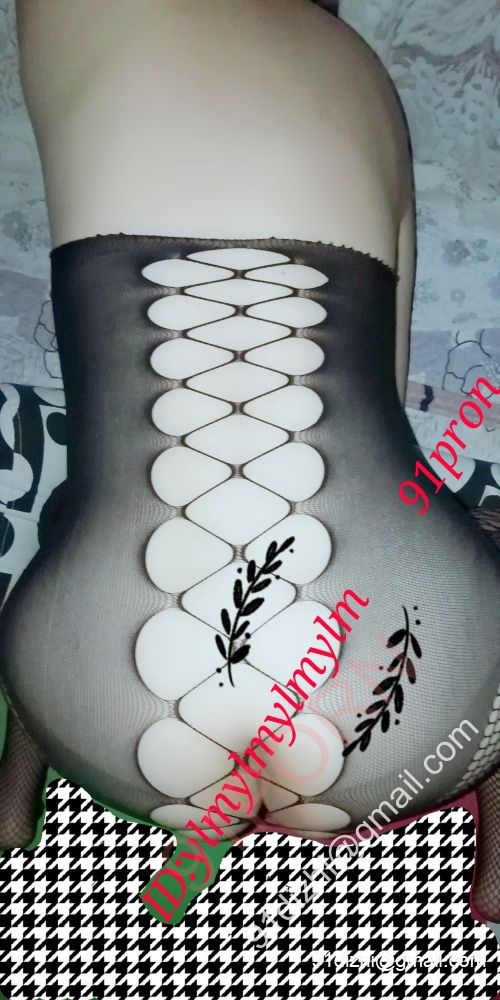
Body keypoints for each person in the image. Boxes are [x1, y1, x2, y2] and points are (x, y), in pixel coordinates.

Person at [0, 0, 498, 925]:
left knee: (78, 518)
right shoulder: (362, 83)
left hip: (106, 706)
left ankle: (12, 805)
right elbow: (386, 416)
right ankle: (494, 868)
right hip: (403, 716)